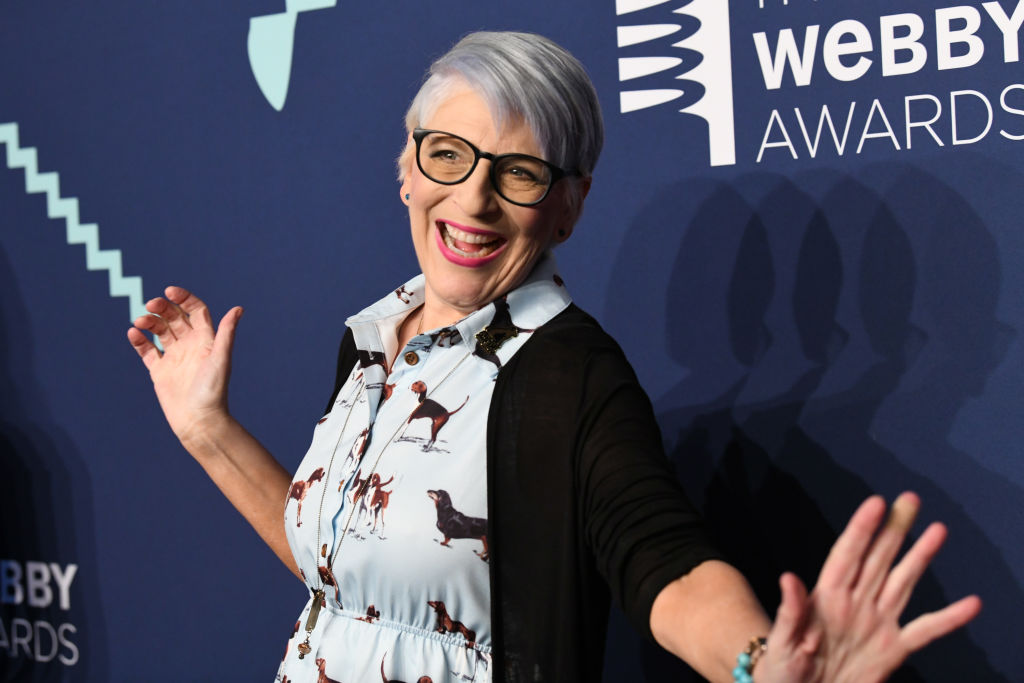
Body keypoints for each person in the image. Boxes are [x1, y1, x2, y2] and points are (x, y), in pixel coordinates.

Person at [126, 31, 981, 683]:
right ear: (407, 169)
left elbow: (664, 560)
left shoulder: (572, 375)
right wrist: (207, 429)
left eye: (521, 173)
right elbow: (350, 571)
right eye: (448, 155)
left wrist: (760, 662)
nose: (474, 200)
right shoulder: (371, 339)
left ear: (569, 206)